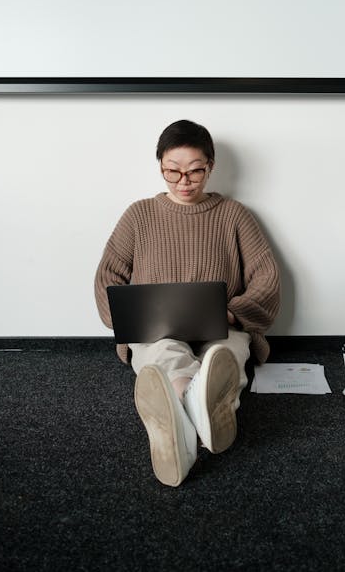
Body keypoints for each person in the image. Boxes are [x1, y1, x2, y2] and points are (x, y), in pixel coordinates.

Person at [94, 120, 280, 486]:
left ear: (210, 166)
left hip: (222, 322)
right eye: (172, 172)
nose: (184, 181)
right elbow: (107, 278)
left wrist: (232, 311)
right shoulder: (139, 215)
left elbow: (268, 278)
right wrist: (126, 320)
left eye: (195, 171)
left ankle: (177, 428)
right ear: (159, 165)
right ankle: (198, 405)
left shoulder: (235, 215)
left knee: (223, 354)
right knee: (162, 352)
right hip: (155, 328)